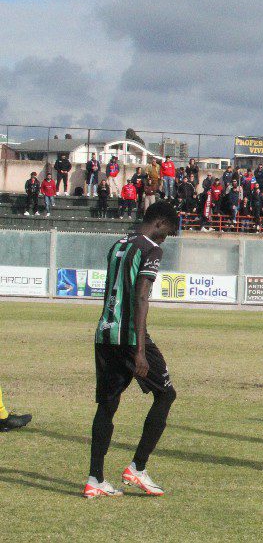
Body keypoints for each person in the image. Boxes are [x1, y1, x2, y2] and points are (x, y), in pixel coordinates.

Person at [86, 200, 179, 499]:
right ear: (160, 223)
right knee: (166, 394)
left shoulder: (119, 245)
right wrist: (139, 350)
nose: (166, 239)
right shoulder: (151, 248)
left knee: (107, 406)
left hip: (104, 334)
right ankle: (137, 468)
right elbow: (140, 297)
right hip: (130, 338)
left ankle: (95, 479)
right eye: (168, 233)